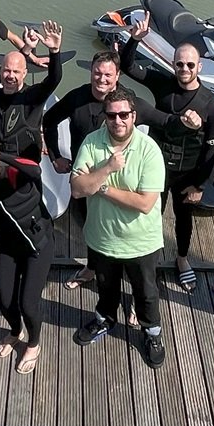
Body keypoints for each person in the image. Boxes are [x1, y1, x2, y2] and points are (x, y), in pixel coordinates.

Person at [120, 12, 214, 292]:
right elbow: (128, 67)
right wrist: (134, 40)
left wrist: (200, 184)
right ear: (173, 63)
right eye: (180, 63)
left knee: (183, 217)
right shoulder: (162, 82)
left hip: (186, 174)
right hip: (156, 169)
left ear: (199, 67)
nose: (184, 68)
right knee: (150, 216)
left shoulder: (210, 105)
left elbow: (212, 149)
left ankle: (182, 259)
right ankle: (147, 261)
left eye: (190, 64)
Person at [69, 89, 167, 369]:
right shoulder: (92, 142)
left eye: (124, 114)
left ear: (134, 116)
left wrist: (101, 187)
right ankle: (105, 319)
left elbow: (145, 203)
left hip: (141, 242)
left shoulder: (149, 149)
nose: (118, 120)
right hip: (103, 237)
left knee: (146, 292)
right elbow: (77, 189)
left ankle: (151, 333)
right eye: (112, 115)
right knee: (105, 286)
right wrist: (108, 167)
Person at [0, 130, 53, 374]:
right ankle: (16, 332)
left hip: (38, 246)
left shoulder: (13, 175)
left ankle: (33, 344)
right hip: (8, 249)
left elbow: (35, 170)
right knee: (5, 302)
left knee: (28, 304)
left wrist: (1, 155)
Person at [42, 50, 122, 289]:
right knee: (88, 227)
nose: (102, 79)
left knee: (115, 230)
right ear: (91, 72)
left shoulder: (124, 104)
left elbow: (157, 120)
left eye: (108, 74)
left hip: (116, 180)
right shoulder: (77, 97)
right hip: (82, 179)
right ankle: (92, 267)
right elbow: (49, 120)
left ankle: (120, 275)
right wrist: (56, 156)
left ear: (117, 76)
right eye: (97, 73)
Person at [0, 22, 63, 161]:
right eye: (7, 71)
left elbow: (54, 79)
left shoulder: (33, 96)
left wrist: (55, 51)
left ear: (24, 73)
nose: (11, 76)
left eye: (16, 72)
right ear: (0, 72)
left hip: (24, 168)